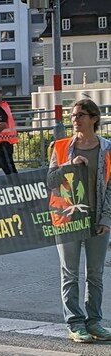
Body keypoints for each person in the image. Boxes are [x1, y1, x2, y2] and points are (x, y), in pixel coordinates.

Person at [47, 99, 111, 343]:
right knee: (70, 273)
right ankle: (75, 323)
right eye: (72, 115)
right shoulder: (61, 147)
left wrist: (106, 217)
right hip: (68, 218)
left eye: (80, 115)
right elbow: (50, 180)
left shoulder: (107, 149)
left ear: (94, 118)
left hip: (97, 218)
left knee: (95, 274)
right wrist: (68, 166)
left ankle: (94, 322)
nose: (75, 119)